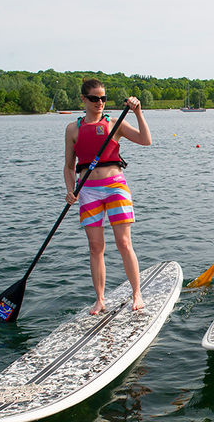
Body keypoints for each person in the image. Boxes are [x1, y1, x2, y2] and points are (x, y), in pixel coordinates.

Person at [64, 78, 151, 314]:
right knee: (95, 247)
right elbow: (68, 166)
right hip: (88, 191)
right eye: (94, 99)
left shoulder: (114, 123)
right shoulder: (73, 128)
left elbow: (146, 140)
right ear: (83, 99)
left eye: (103, 98)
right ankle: (100, 299)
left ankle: (137, 293)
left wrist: (138, 113)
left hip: (115, 186)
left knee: (124, 243)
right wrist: (70, 189)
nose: (100, 103)